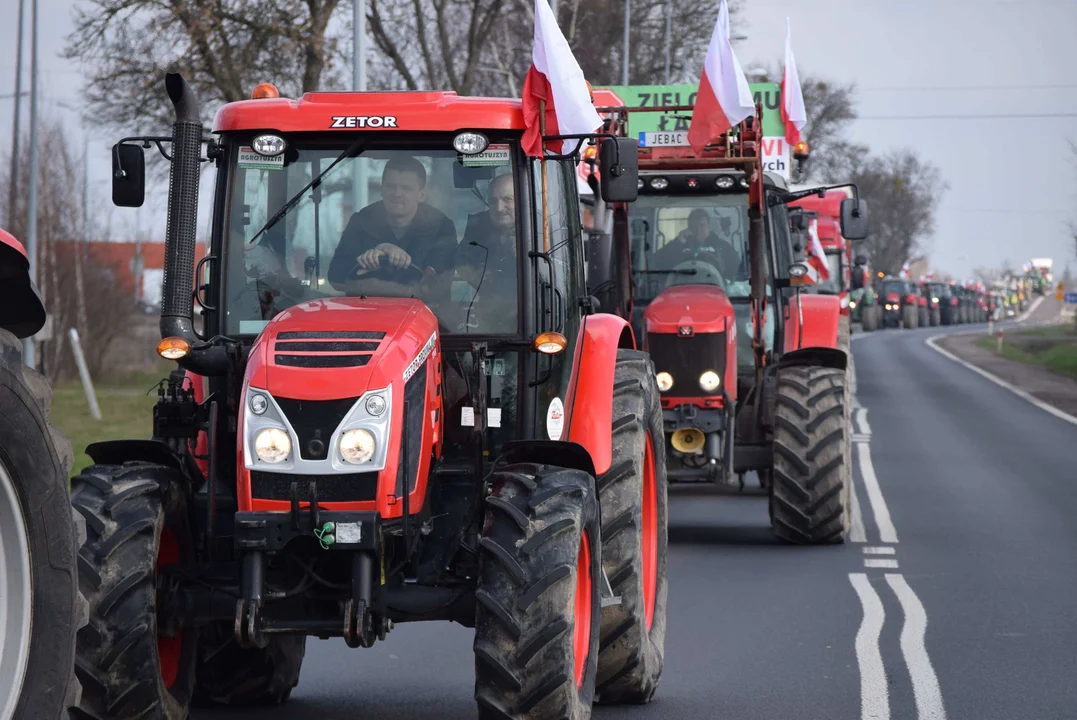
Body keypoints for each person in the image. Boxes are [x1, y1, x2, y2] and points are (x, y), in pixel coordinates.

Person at [328, 157, 458, 289]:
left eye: (406, 188)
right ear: (382, 189)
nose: (397, 194)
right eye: (391, 186)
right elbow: (336, 278)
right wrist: (383, 251)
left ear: (421, 195)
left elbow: (438, 286)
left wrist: (384, 259)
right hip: (367, 308)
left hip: (427, 309)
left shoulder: (441, 227)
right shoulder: (360, 222)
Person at [453, 173, 518, 332]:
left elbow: (556, 274)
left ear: (523, 200)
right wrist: (476, 274)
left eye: (507, 200)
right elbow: (460, 261)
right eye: (493, 201)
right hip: (487, 311)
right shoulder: (478, 226)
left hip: (531, 315)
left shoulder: (542, 229)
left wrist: (528, 256)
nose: (499, 208)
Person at [652, 208, 740, 278]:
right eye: (694, 226)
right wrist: (677, 242)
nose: (698, 230)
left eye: (702, 225)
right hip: (682, 289)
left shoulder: (722, 246)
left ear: (709, 226)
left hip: (715, 290)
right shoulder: (679, 245)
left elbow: (737, 270)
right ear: (688, 227)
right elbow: (657, 262)